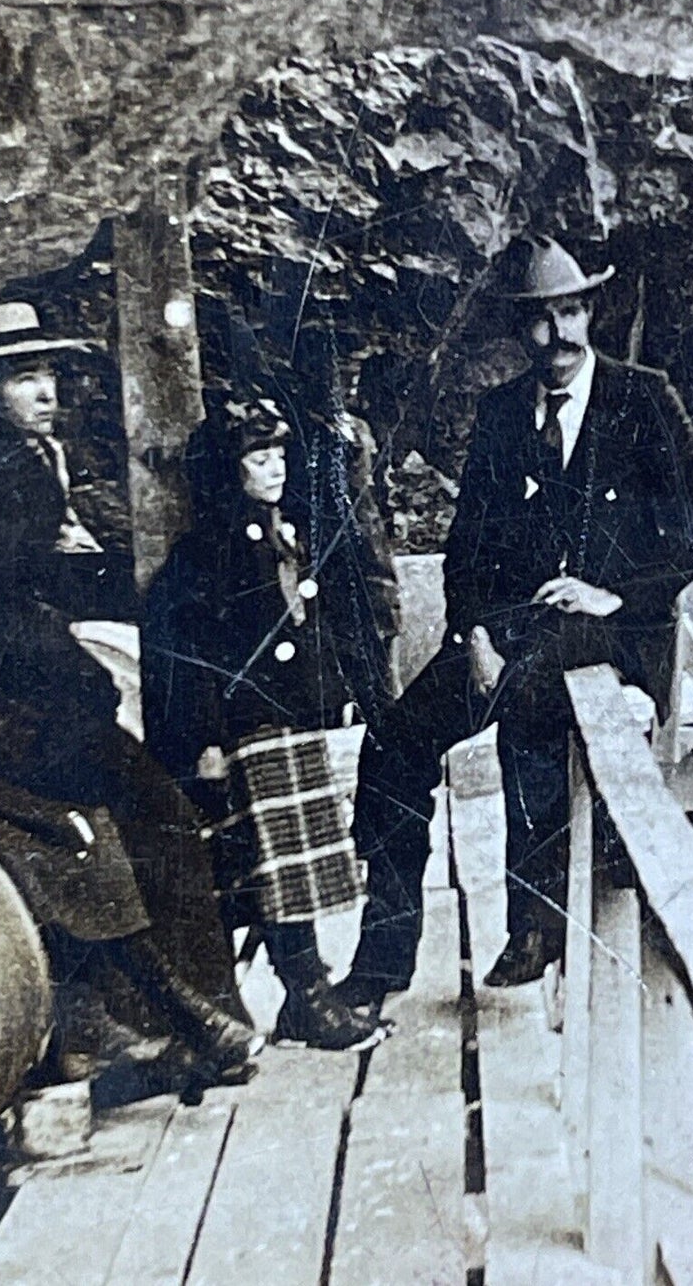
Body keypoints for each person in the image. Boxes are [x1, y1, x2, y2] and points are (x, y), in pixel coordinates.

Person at [333, 235, 693, 1007]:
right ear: (520, 331)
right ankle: (382, 959)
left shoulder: (644, 398)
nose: (558, 337)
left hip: (615, 630)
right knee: (394, 745)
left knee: (533, 709)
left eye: (571, 313)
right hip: (507, 631)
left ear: (591, 312)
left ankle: (533, 923)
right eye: (541, 321)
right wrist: (471, 634)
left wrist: (614, 594)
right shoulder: (502, 414)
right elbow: (466, 547)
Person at [0, 441, 261, 1100]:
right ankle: (156, 1018)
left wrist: (27, 731)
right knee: (40, 834)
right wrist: (25, 741)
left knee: (77, 826)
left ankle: (145, 1019)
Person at [141, 394, 395, 1052]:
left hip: (287, 715)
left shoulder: (284, 530)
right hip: (247, 726)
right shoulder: (210, 553)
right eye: (258, 457)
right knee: (276, 864)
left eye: (278, 453)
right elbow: (187, 655)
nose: (274, 467)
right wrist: (201, 738)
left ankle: (304, 992)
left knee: (297, 859)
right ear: (232, 471)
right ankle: (303, 992)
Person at [0, 301, 138, 727]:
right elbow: (4, 572)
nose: (46, 394)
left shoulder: (40, 448)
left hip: (50, 596)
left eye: (48, 374)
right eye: (25, 378)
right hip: (5, 618)